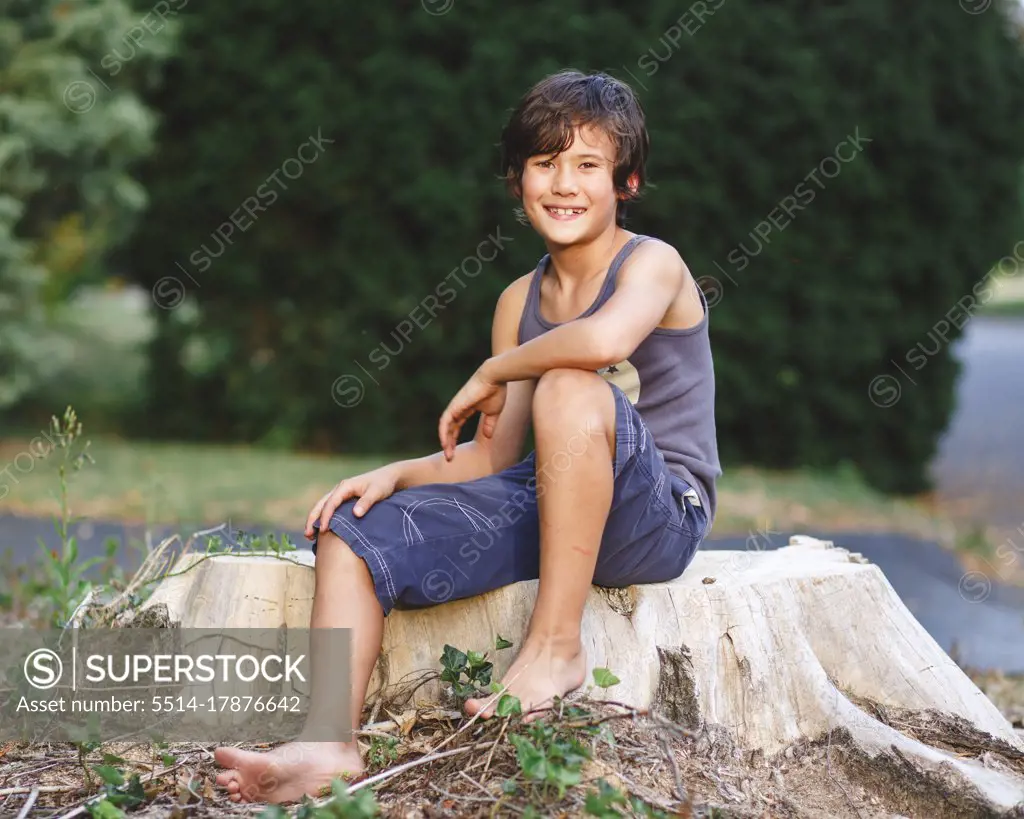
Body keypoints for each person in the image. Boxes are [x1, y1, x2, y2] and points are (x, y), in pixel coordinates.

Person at [215, 68, 721, 804]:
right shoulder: (519, 299)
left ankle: (554, 649)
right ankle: (328, 741)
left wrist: (498, 365)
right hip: (552, 496)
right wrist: (397, 474)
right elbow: (493, 456)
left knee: (572, 385)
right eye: (545, 163)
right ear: (517, 181)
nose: (564, 183)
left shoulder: (653, 264)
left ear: (627, 182)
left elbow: (603, 338)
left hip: (656, 512)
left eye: (588, 165)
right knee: (351, 529)